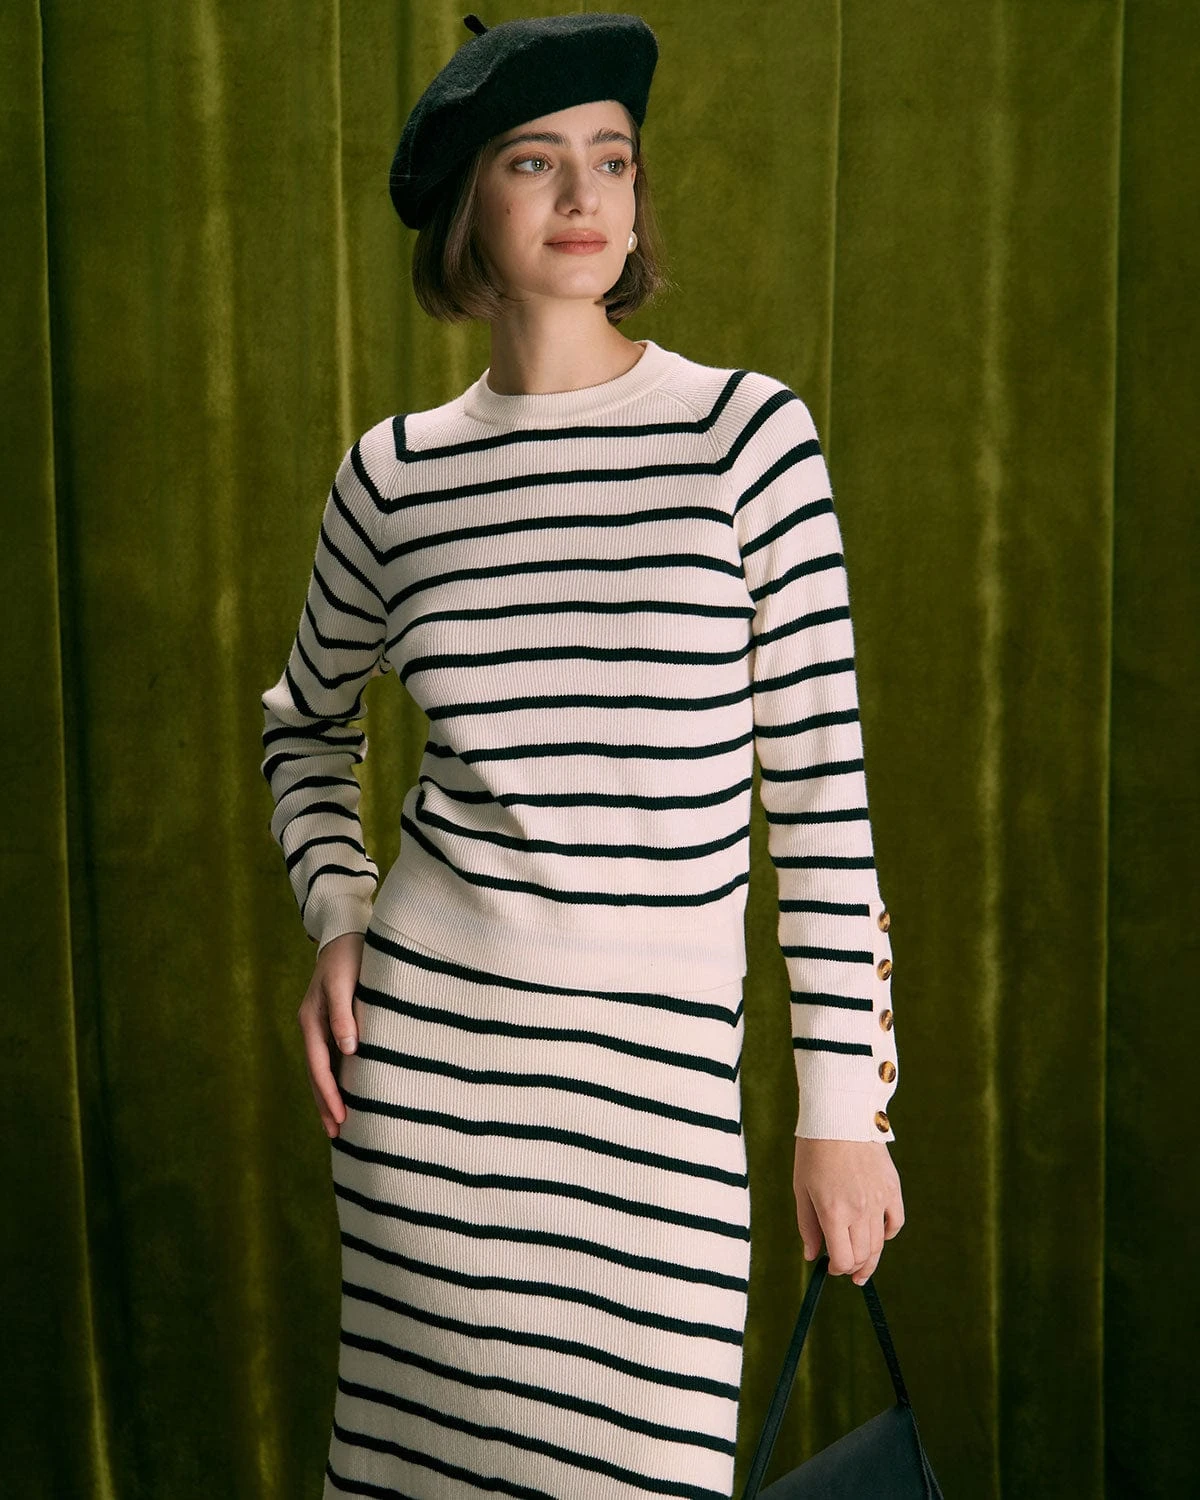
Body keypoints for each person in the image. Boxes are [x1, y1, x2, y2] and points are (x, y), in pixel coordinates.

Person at [259, 13, 904, 1498]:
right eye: (532, 161)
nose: (583, 196)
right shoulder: (393, 477)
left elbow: (823, 803)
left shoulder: (748, 439)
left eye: (611, 159)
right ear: (465, 209)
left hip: (656, 1121)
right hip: (429, 1096)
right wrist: (341, 912)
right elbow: (304, 724)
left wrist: (842, 1113)